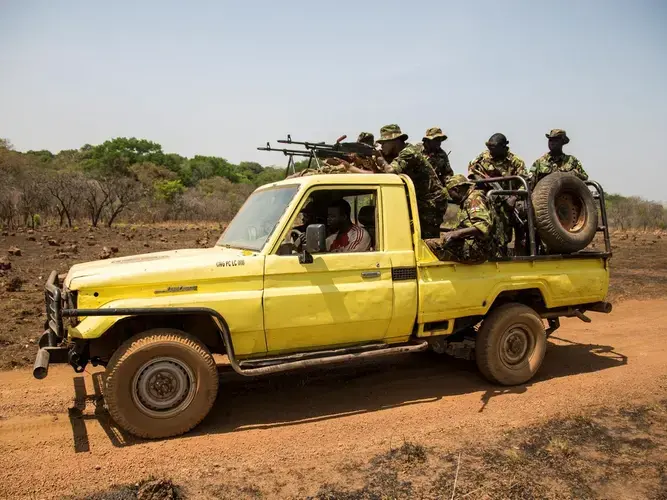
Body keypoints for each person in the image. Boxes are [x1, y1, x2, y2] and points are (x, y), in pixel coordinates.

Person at [374, 124, 447, 238]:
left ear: (395, 141)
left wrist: (379, 158)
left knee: (425, 240)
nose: (381, 147)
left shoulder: (409, 152)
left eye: (384, 143)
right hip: (419, 199)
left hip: (431, 201)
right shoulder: (401, 153)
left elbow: (390, 172)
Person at [425, 175, 503, 263]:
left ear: (457, 190)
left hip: (480, 249)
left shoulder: (474, 199)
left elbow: (482, 226)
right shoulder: (468, 200)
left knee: (429, 245)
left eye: (451, 194)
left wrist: (457, 233)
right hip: (475, 245)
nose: (452, 198)